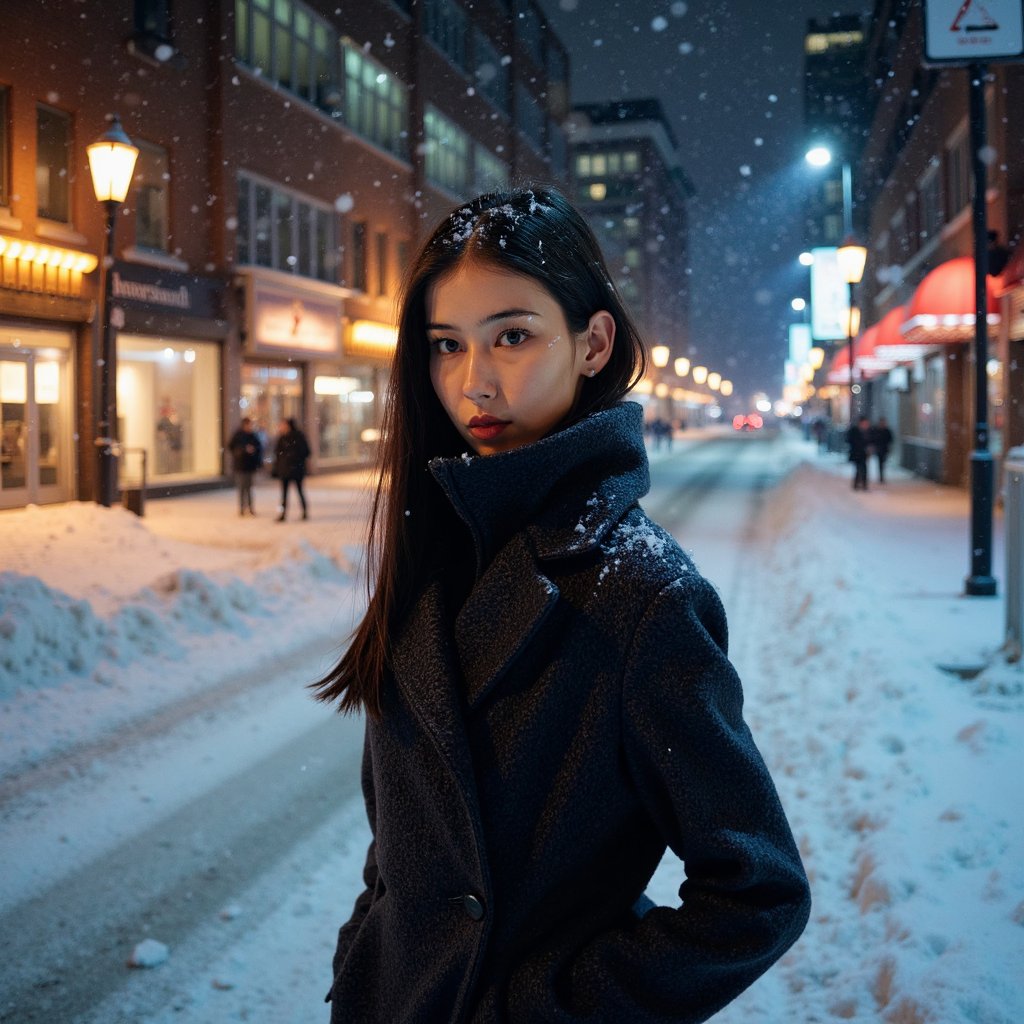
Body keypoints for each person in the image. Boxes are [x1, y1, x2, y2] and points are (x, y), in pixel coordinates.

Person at [314, 186, 810, 1023]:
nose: (474, 381)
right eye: (445, 345)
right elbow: (401, 846)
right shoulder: (433, 550)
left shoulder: (642, 593)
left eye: (513, 335)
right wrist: (365, 952)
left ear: (593, 343)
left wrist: (547, 1010)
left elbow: (757, 892)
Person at [272, 417, 311, 521]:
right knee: (284, 494)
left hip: (296, 470)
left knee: (299, 491)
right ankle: (283, 514)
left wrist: (293, 457)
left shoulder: (298, 437)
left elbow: (306, 452)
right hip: (285, 470)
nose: (281, 427)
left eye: (283, 425)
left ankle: (304, 512)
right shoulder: (282, 438)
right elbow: (277, 454)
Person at [228, 416, 263, 516]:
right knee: (242, 488)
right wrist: (243, 450)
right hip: (240, 466)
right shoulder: (238, 435)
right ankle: (242, 508)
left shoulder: (253, 436)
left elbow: (259, 448)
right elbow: (231, 447)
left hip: (250, 466)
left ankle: (250, 508)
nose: (250, 427)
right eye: (248, 425)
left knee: (249, 488)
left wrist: (253, 451)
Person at [846, 415, 872, 491]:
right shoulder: (854, 431)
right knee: (858, 469)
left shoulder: (868, 431)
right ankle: (858, 484)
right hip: (856, 454)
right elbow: (850, 440)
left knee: (863, 469)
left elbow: (871, 440)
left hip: (864, 454)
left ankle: (863, 484)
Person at [871, 415, 894, 484]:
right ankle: (881, 476)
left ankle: (881, 476)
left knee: (882, 463)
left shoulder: (886, 431)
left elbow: (890, 439)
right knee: (880, 463)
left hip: (883, 449)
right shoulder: (877, 430)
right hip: (879, 449)